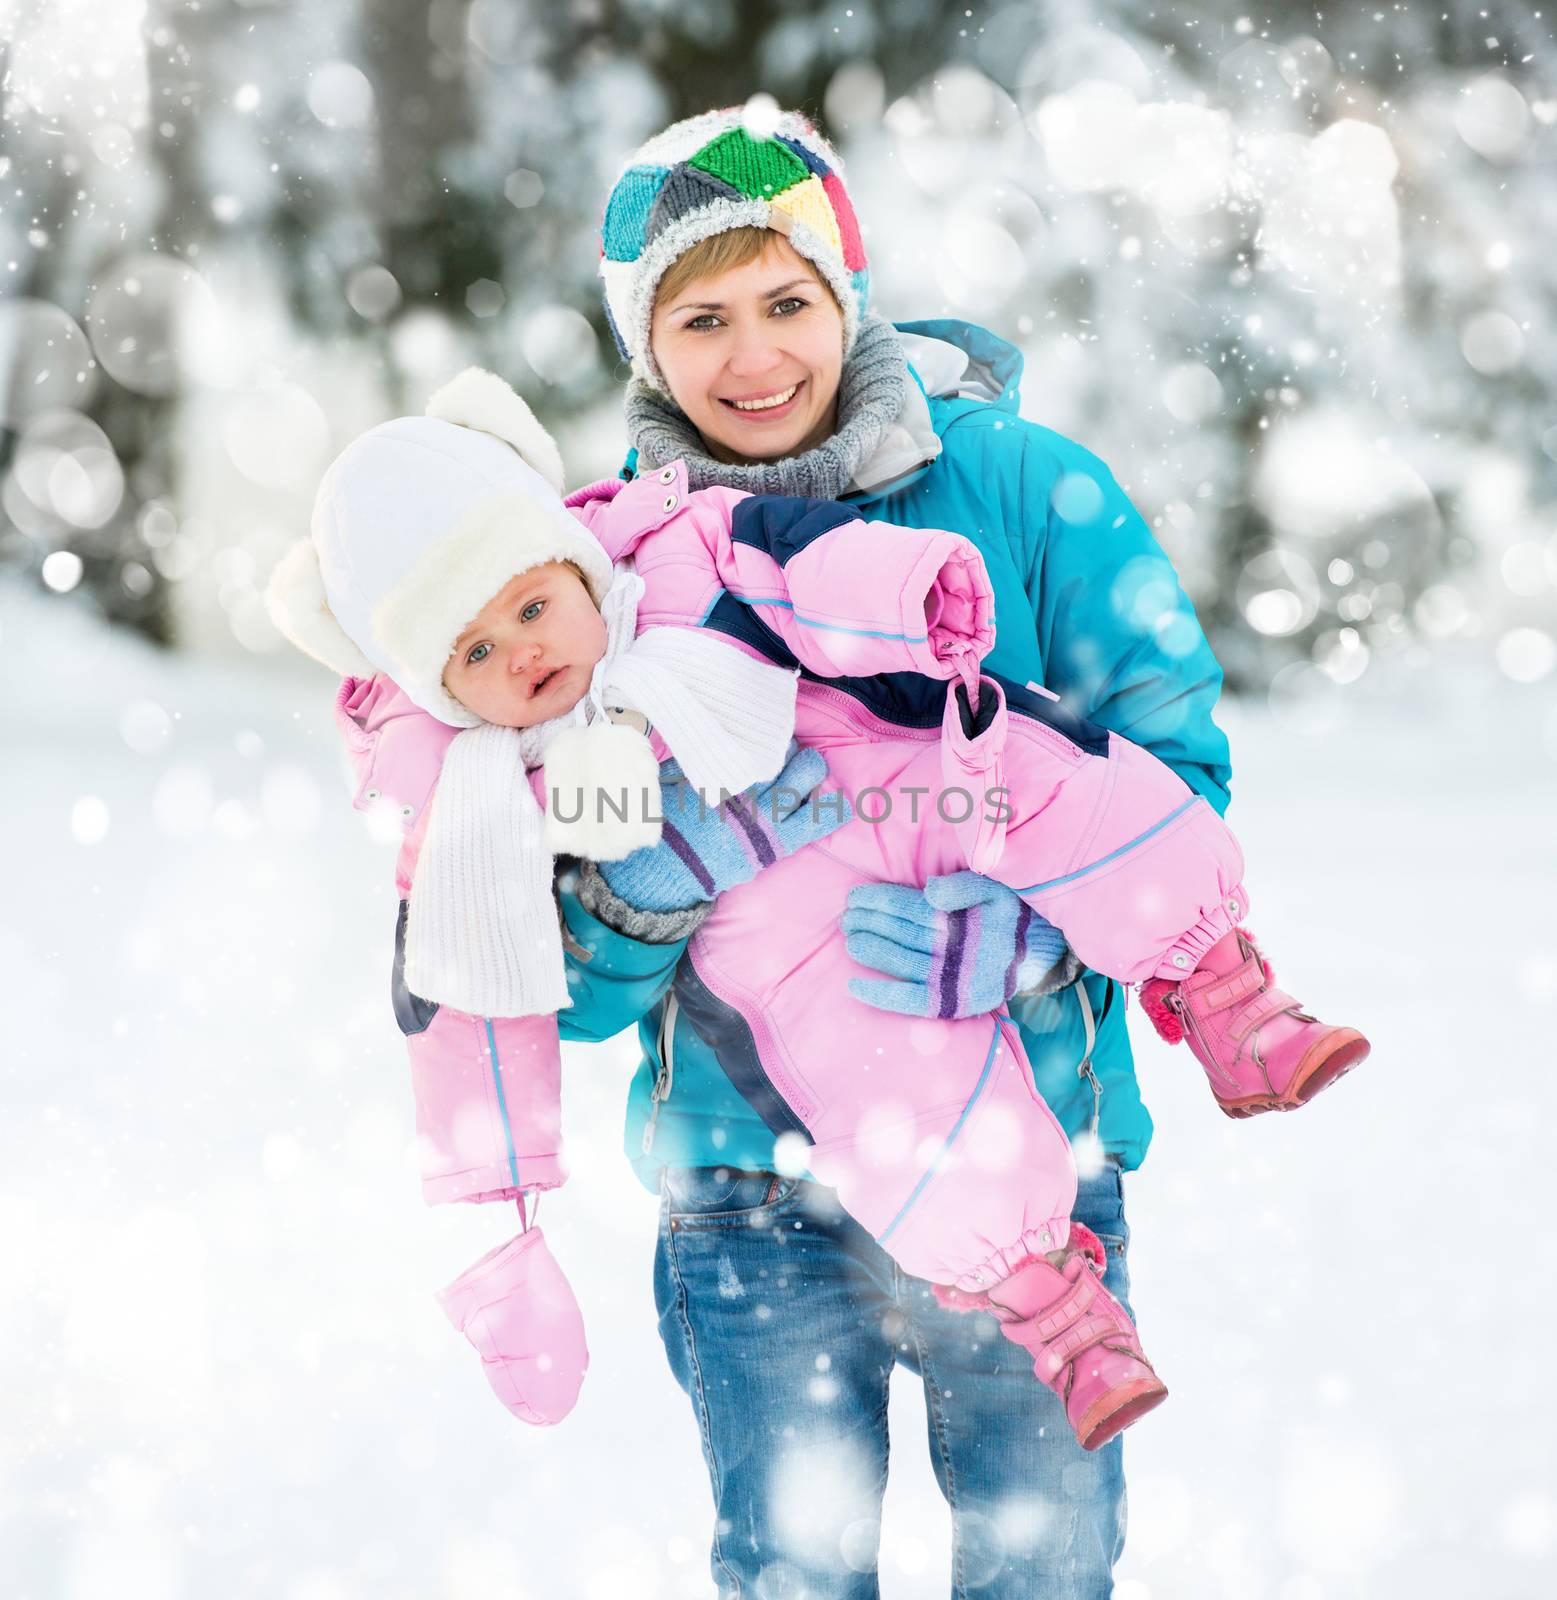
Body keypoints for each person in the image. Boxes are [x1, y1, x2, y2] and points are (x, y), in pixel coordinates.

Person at [545, 106, 1365, 1596]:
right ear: (639, 343)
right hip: (748, 1203)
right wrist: (639, 893)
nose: (752, 359)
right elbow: (549, 985)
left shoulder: (1027, 490)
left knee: (1042, 1569)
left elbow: (1173, 775)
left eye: (786, 301)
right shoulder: (589, 582)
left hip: (1031, 1144)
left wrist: (1036, 937)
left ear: (845, 293)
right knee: (795, 1574)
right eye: (701, 318)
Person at [271, 359, 1365, 1463]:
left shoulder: (677, 547)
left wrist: (908, 601)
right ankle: (1056, 1307)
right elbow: (476, 998)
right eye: (477, 652)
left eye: (532, 604)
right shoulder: (486, 801)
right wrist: (502, 1237)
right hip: (803, 947)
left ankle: (1226, 991)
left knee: (1082, 793)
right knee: (911, 1122)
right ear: (441, 691)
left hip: (920, 770)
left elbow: (793, 563)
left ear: (568, 555)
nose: (529, 652)